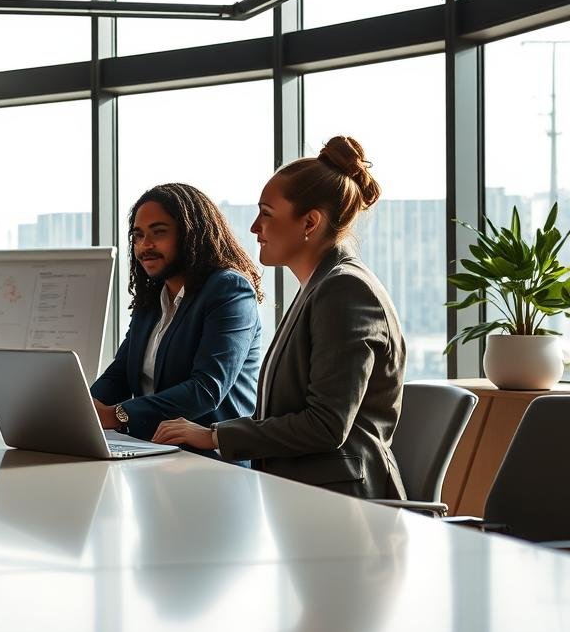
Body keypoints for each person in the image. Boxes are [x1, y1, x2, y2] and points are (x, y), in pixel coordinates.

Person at [154, 136, 407, 500]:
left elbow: (325, 426)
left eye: (267, 213)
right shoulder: (318, 287)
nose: (255, 227)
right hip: (303, 495)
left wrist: (214, 435)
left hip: (343, 508)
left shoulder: (345, 291)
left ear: (309, 222)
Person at [90, 183, 263, 457]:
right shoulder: (153, 298)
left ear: (191, 234)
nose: (145, 246)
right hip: (151, 454)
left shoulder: (229, 290)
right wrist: (83, 409)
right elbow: (121, 373)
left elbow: (206, 388)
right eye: (138, 235)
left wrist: (117, 415)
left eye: (159, 233)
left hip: (210, 464)